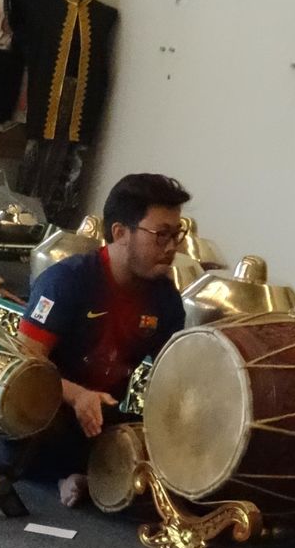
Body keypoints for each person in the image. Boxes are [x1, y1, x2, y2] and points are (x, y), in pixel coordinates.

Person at [13, 171, 190, 506]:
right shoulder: (67, 281)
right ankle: (66, 477)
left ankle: (92, 476)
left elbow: (175, 374)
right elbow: (25, 361)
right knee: (30, 418)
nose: (171, 248)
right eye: (161, 235)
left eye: (176, 235)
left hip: (101, 420)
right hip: (50, 413)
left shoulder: (165, 298)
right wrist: (79, 396)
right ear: (121, 233)